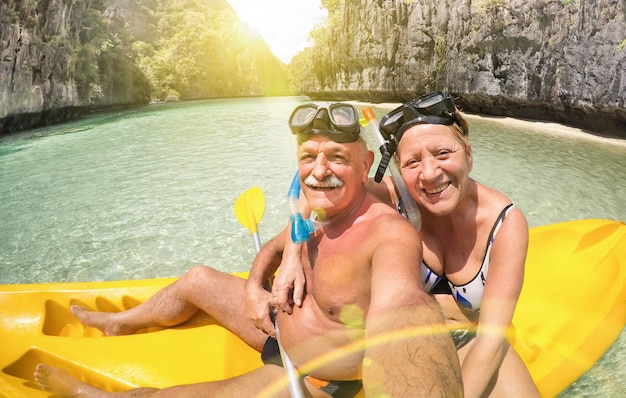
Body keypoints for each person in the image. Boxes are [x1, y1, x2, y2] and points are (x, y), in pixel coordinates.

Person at [34, 102, 463, 397]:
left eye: (336, 157)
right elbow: (274, 248)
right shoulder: (314, 207)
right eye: (308, 156)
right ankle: (120, 323)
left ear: (365, 164)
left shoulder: (386, 233)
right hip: (277, 326)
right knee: (197, 278)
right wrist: (257, 288)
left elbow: (403, 307)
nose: (319, 170)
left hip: (313, 378)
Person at [271, 92, 540, 398]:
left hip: (472, 343)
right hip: (402, 349)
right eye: (412, 162)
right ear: (398, 168)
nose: (429, 173)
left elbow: (491, 340)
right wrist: (292, 255)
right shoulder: (396, 196)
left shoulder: (504, 225)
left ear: (468, 153)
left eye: (442, 153)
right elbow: (320, 188)